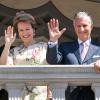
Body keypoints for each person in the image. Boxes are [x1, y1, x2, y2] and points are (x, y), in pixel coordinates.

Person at [46, 11, 100, 100]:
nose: (82, 29)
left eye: (85, 25)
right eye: (78, 26)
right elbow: (52, 61)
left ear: (91, 26)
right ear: (74, 28)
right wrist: (53, 40)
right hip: (70, 96)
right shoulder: (65, 47)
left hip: (94, 95)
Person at [5, 11, 49, 100]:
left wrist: (50, 93)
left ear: (33, 30)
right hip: (19, 95)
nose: (25, 33)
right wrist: (7, 45)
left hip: (42, 95)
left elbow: (52, 70)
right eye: (21, 30)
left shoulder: (45, 47)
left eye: (27, 29)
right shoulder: (14, 51)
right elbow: (2, 65)